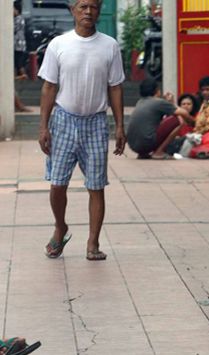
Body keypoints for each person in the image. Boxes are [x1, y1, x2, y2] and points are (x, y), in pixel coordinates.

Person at [37, 0, 126, 261]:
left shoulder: (109, 45)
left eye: (94, 7)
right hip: (63, 121)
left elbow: (116, 87)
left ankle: (93, 243)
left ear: (99, 11)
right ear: (73, 10)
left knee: (96, 186)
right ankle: (60, 226)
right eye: (83, 6)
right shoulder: (58, 45)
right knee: (57, 184)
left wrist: (120, 125)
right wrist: (43, 127)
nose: (89, 12)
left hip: (96, 124)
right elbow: (48, 87)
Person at [126, 79, 193, 159]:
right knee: (179, 120)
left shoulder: (140, 102)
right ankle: (159, 152)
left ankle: (143, 154)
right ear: (157, 91)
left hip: (133, 145)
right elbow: (184, 113)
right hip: (147, 143)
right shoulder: (158, 102)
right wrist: (194, 123)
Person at [13, 1, 28, 80]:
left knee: (18, 62)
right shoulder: (19, 18)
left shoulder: (19, 19)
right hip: (18, 44)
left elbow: (13, 28)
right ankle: (19, 76)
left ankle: (23, 75)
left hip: (18, 45)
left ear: (17, 10)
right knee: (16, 62)